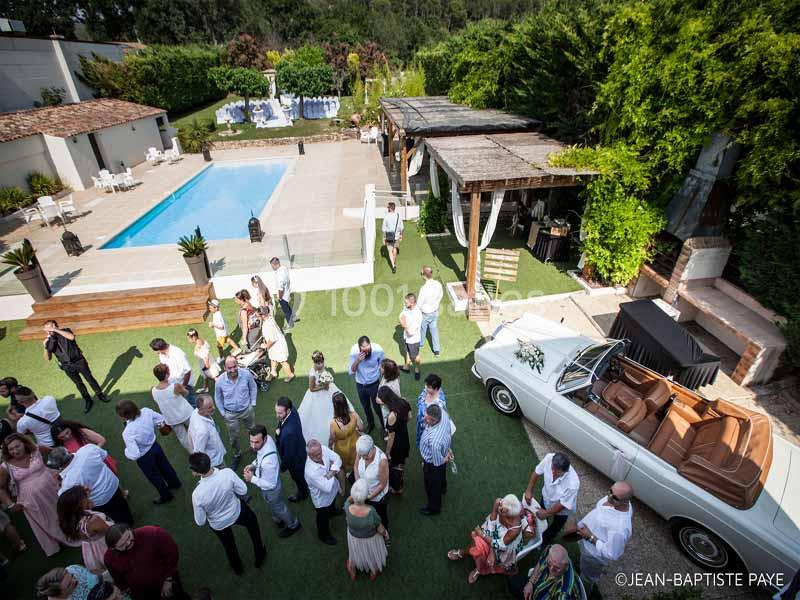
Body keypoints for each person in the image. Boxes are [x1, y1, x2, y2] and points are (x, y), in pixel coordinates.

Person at [190, 452, 266, 575]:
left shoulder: (197, 494)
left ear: (196, 472)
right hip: (236, 510)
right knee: (253, 526)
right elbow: (243, 490)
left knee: (229, 546)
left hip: (218, 523)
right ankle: (260, 555)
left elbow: (200, 521)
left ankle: (237, 568)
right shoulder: (227, 473)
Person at [0, 434, 66, 556]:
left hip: (53, 488)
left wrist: (60, 470)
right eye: (11, 449)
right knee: (46, 519)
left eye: (17, 446)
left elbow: (55, 453)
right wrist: (10, 504)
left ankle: (73, 531)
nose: (15, 451)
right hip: (31, 500)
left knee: (62, 511)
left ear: (24, 443)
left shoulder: (37, 449)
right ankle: (56, 543)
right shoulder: (5, 466)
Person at [564, 481, 634, 593]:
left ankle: (582, 592)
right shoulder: (616, 501)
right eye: (610, 491)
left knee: (587, 578)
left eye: (615, 497)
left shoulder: (620, 529)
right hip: (585, 539)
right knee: (583, 565)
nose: (609, 497)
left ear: (626, 502)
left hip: (593, 555)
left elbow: (612, 553)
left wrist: (590, 537)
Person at [448, 494, 534, 583]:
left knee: (481, 547)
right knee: (478, 544)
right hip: (492, 533)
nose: (500, 511)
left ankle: (478, 568)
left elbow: (500, 545)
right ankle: (464, 554)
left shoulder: (515, 529)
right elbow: (492, 522)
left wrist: (482, 535)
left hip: (503, 545)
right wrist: (490, 546)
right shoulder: (499, 502)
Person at [48, 445, 133, 526]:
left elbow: (61, 495)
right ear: (68, 451)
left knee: (114, 518)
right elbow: (103, 455)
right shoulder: (88, 449)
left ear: (59, 466)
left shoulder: (68, 482)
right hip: (113, 485)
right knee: (122, 506)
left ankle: (124, 528)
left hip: (100, 502)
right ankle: (129, 522)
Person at [116, 400, 181, 505]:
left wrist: (126, 451)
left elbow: (135, 454)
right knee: (166, 466)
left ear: (123, 416)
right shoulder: (146, 411)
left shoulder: (127, 432)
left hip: (144, 457)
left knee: (154, 476)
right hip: (155, 446)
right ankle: (175, 483)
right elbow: (160, 419)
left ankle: (166, 496)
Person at [243, 425, 301, 538]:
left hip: (271, 489)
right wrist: (253, 465)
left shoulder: (268, 462)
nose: (253, 446)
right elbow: (260, 457)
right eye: (251, 441)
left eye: (256, 442)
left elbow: (271, 484)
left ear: (264, 439)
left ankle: (294, 525)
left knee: (279, 507)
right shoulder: (267, 439)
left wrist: (252, 479)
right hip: (271, 478)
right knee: (274, 506)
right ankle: (278, 519)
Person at [104, 523, 187, 600]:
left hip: (166, 583)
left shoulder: (154, 533)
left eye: (129, 537)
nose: (129, 543)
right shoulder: (109, 558)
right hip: (141, 594)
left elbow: (172, 554)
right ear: (113, 548)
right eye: (122, 545)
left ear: (129, 529)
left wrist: (168, 579)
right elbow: (118, 579)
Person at [43, 320, 108, 414]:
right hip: (67, 366)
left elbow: (71, 337)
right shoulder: (48, 342)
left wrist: (55, 330)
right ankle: (88, 400)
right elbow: (47, 358)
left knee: (89, 378)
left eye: (51, 326)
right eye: (47, 328)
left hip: (79, 361)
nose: (49, 329)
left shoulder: (65, 331)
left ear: (56, 326)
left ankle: (100, 394)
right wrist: (45, 347)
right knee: (79, 384)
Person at [523, 452, 580, 548]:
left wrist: (546, 513)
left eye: (557, 472)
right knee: (539, 519)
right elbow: (537, 472)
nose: (553, 472)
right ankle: (537, 532)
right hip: (546, 497)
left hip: (562, 510)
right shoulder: (549, 458)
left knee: (556, 526)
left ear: (565, 472)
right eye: (552, 468)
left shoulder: (573, 484)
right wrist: (528, 490)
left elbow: (562, 504)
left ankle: (543, 541)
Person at [299, 351, 353, 446]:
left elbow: (325, 374)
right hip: (317, 394)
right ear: (314, 362)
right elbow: (311, 388)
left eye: (321, 362)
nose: (320, 365)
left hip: (328, 389)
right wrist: (323, 386)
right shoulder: (312, 373)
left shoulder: (323, 366)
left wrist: (327, 382)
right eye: (318, 363)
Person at [56, 485, 113, 574]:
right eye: (84, 498)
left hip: (92, 550)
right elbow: (111, 532)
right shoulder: (93, 522)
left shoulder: (73, 522)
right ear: (78, 505)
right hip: (105, 544)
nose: (87, 498)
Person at [214, 356, 257, 472]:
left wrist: (252, 403)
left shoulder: (246, 374)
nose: (233, 370)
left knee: (252, 430)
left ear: (237, 365)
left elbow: (253, 387)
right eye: (229, 368)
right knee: (233, 438)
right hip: (230, 414)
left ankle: (254, 448)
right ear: (225, 368)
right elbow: (217, 397)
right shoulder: (220, 381)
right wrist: (223, 413)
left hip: (246, 409)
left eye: (234, 367)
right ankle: (237, 454)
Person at [344, 478, 389, 581]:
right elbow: (380, 529)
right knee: (372, 554)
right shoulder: (371, 512)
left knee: (355, 553)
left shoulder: (347, 506)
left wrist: (355, 495)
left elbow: (349, 499)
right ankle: (373, 571)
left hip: (354, 537)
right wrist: (385, 534)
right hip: (370, 539)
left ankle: (352, 568)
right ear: (366, 495)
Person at [507, 544, 580, 600]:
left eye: (556, 568)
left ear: (566, 566)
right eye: (549, 564)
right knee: (513, 583)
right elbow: (540, 563)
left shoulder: (565, 593)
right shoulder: (549, 550)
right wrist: (531, 582)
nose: (551, 570)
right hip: (537, 586)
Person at [304, 439, 342, 545]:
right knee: (322, 518)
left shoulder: (323, 449)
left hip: (332, 489)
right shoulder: (310, 471)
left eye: (319, 453)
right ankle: (323, 535)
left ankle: (333, 512)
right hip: (321, 500)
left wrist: (330, 473)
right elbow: (327, 488)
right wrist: (334, 468)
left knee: (332, 502)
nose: (319, 456)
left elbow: (338, 458)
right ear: (308, 455)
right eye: (315, 455)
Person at [150, 365, 193, 452]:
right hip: (186, 413)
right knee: (196, 430)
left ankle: (195, 454)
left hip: (171, 418)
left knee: (183, 438)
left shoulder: (153, 390)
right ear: (166, 375)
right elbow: (186, 393)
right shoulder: (175, 386)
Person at [376, 386, 410, 494]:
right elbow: (409, 417)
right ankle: (401, 475)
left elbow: (391, 437)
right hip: (405, 438)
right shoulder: (404, 401)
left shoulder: (392, 416)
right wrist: (401, 425)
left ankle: (397, 488)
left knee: (394, 466)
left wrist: (388, 451)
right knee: (401, 462)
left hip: (397, 444)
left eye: (380, 398)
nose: (378, 399)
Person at [50, 420, 119, 474]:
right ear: (57, 438)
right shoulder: (61, 446)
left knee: (111, 475)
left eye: (67, 432)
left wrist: (91, 453)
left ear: (70, 427)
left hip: (98, 460)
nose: (66, 437)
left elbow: (101, 440)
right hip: (84, 469)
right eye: (62, 437)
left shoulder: (81, 432)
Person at [419, 404, 451, 516]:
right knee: (441, 476)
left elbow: (438, 463)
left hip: (432, 464)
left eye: (427, 419)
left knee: (431, 486)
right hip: (443, 450)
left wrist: (446, 457)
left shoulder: (434, 442)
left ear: (434, 420)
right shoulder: (443, 412)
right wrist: (447, 450)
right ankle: (443, 487)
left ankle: (434, 508)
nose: (424, 419)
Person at [348, 336, 385, 435]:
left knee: (378, 407)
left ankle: (384, 426)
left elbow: (382, 366)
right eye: (363, 348)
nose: (366, 351)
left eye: (367, 347)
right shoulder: (354, 352)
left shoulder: (378, 350)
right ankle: (371, 424)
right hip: (360, 385)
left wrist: (383, 383)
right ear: (359, 347)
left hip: (374, 384)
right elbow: (351, 371)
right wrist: (357, 361)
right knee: (366, 407)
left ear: (370, 344)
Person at [274, 397, 309, 502]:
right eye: (276, 412)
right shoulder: (293, 411)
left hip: (295, 461)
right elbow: (282, 422)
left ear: (288, 410)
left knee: (298, 478)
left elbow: (288, 456)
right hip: (300, 449)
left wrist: (283, 467)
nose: (277, 415)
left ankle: (303, 493)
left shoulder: (289, 433)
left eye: (280, 413)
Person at [353, 435, 390, 529]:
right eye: (362, 456)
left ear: (372, 448)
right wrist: (359, 485)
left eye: (366, 455)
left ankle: (385, 532)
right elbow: (355, 467)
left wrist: (369, 497)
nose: (364, 457)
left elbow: (382, 484)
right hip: (364, 495)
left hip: (377, 498)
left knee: (381, 517)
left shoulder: (382, 461)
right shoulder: (361, 451)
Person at [150, 338, 196, 408]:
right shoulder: (161, 354)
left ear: (159, 349)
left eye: (155, 350)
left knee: (191, 403)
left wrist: (184, 386)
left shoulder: (177, 353)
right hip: (173, 385)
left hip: (185, 384)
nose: (154, 352)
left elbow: (187, 371)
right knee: (181, 405)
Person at [328, 392, 362, 486]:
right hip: (354, 443)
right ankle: (356, 476)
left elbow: (332, 439)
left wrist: (330, 447)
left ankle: (342, 489)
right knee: (356, 461)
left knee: (341, 466)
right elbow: (361, 428)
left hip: (341, 448)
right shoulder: (354, 415)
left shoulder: (334, 424)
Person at [187, 394, 226, 468]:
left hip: (217, 455)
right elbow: (198, 452)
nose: (214, 408)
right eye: (209, 407)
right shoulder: (202, 431)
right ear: (200, 409)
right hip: (215, 462)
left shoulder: (195, 412)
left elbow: (189, 432)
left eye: (213, 405)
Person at [260, 304, 294, 382]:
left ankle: (290, 375)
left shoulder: (269, 324)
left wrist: (265, 346)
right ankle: (273, 372)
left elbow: (272, 339)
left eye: (259, 315)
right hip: (273, 346)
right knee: (273, 359)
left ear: (263, 315)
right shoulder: (268, 319)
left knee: (282, 361)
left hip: (278, 346)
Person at [418, 266, 443, 356]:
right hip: (435, 312)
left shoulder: (423, 289)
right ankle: (436, 350)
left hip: (425, 313)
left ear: (424, 276)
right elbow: (441, 295)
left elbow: (419, 303)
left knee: (422, 329)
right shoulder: (438, 284)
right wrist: (436, 303)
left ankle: (421, 343)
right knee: (434, 330)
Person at [35, 565, 99, 600]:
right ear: (60, 595)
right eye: (69, 584)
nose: (75, 580)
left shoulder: (73, 569)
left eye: (72, 576)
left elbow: (93, 572)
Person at [415, 373, 446, 445]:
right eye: (425, 385)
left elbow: (437, 421)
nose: (425, 388)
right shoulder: (427, 390)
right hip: (422, 421)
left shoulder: (439, 404)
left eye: (428, 387)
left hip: (428, 426)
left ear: (436, 389)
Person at [398, 293, 423, 380]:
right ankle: (407, 367)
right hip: (406, 337)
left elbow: (411, 332)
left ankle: (417, 369)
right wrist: (402, 321)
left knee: (415, 356)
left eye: (406, 303)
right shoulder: (407, 307)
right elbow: (401, 315)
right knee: (407, 351)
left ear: (412, 303)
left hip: (413, 339)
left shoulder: (417, 314)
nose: (404, 304)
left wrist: (403, 324)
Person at [270, 257, 297, 328]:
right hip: (287, 292)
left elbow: (280, 288)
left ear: (275, 265)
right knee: (287, 306)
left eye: (272, 266)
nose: (272, 268)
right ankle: (294, 317)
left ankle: (290, 323)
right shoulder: (284, 268)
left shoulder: (279, 274)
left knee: (286, 310)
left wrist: (280, 297)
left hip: (283, 295)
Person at [381, 201, 403, 273]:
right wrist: (401, 235)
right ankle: (394, 262)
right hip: (396, 235)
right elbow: (401, 227)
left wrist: (384, 237)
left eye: (388, 207)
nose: (387, 208)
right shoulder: (398, 216)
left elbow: (384, 228)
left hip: (389, 236)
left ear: (390, 208)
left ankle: (393, 265)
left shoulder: (386, 216)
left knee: (390, 251)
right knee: (395, 248)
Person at [378, 359, 401, 427]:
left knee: (390, 426)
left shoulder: (393, 385)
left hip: (390, 411)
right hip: (384, 408)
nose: (380, 368)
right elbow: (380, 385)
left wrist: (381, 402)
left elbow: (397, 401)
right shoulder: (385, 376)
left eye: (382, 367)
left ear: (387, 370)